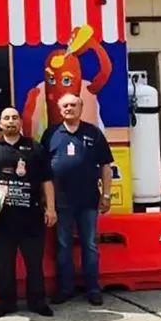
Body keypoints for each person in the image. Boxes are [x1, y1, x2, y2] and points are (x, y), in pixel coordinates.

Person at [0, 107, 56, 319]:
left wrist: (51, 208)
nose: (10, 121)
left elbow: (47, 181)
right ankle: (6, 304)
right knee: (4, 265)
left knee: (34, 263)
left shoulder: (35, 148)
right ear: (0, 124)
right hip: (3, 219)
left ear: (20, 122)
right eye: (6, 118)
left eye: (14, 118)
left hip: (31, 218)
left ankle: (38, 303)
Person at [43, 93, 113, 306]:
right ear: (59, 109)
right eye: (65, 105)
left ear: (81, 108)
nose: (69, 108)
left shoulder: (93, 133)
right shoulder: (51, 134)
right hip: (61, 202)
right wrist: (48, 203)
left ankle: (93, 289)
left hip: (89, 200)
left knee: (89, 245)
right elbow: (43, 171)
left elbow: (106, 167)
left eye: (74, 105)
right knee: (63, 245)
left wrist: (107, 195)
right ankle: (66, 289)